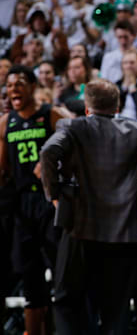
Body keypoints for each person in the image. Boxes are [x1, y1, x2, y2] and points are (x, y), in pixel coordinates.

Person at [40, 78, 137, 334]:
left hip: (79, 228)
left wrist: (55, 194)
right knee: (116, 308)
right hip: (123, 233)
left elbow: (48, 153)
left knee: (67, 300)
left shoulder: (71, 127)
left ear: (87, 108)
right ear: (117, 107)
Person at [0, 66, 70, 335]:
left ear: (32, 86)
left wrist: (52, 162)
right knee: (30, 277)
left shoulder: (50, 114)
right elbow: (3, 170)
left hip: (48, 200)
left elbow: (77, 140)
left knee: (59, 270)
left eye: (19, 83)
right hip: (21, 204)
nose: (13, 89)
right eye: (8, 85)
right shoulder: (7, 122)